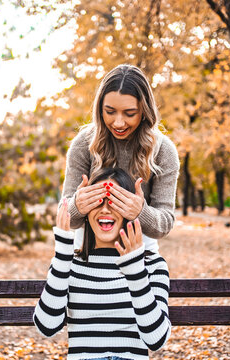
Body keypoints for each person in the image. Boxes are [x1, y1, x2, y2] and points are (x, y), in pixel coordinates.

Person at [34, 168, 171, 360]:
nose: (105, 209)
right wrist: (62, 256)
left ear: (129, 209)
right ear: (85, 209)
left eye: (115, 202)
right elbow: (46, 327)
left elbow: (156, 340)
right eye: (97, 201)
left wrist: (136, 273)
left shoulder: (151, 264)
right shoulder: (68, 262)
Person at [60, 64, 180, 253]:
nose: (118, 122)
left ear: (144, 111)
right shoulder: (83, 144)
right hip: (89, 247)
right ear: (100, 109)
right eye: (110, 111)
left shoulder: (163, 150)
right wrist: (77, 205)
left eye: (129, 113)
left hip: (141, 247)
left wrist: (140, 212)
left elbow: (164, 223)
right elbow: (65, 215)